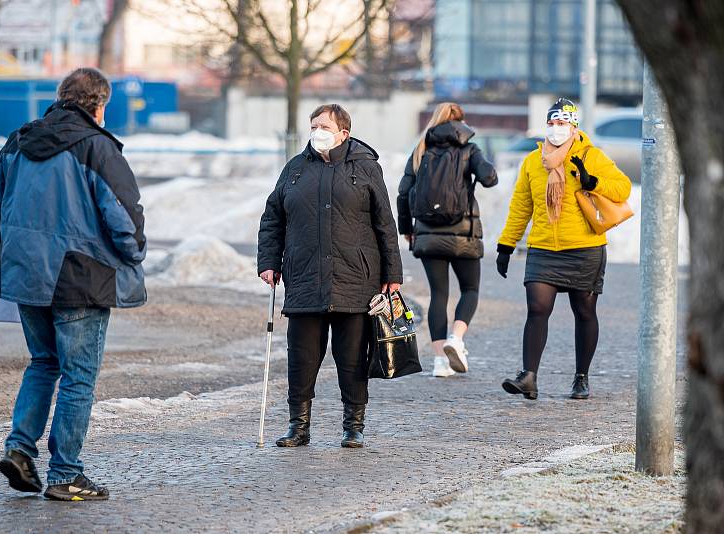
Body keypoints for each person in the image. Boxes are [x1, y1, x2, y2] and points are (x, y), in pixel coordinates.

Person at [0, 68, 146, 500]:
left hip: (26, 276)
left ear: (60, 98)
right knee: (78, 377)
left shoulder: (19, 141)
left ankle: (20, 449)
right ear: (99, 106)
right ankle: (65, 473)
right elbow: (124, 218)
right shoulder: (97, 147)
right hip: (80, 279)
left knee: (44, 362)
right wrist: (134, 252)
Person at [257, 104, 403, 448]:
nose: (316, 131)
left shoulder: (366, 168)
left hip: (355, 279)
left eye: (323, 125)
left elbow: (385, 223)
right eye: (313, 125)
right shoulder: (295, 169)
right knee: (302, 357)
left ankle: (353, 425)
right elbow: (272, 217)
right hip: (304, 278)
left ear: (343, 133)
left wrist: (392, 273)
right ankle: (298, 425)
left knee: (352, 357)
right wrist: (268, 261)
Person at [496, 98, 631, 400]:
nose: (556, 129)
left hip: (584, 248)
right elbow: (521, 206)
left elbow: (622, 188)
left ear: (573, 126)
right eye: (552, 123)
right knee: (537, 309)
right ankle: (528, 376)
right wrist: (506, 244)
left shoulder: (590, 156)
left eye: (562, 123)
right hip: (543, 248)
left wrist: (591, 180)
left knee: (584, 312)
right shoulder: (532, 162)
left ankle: (581, 377)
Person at [397, 103, 498, 377]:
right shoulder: (470, 149)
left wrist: (406, 229)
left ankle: (440, 362)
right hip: (463, 233)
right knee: (470, 290)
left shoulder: (421, 149)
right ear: (461, 123)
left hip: (428, 236)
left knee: (438, 295)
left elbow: (404, 192)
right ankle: (457, 337)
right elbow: (490, 178)